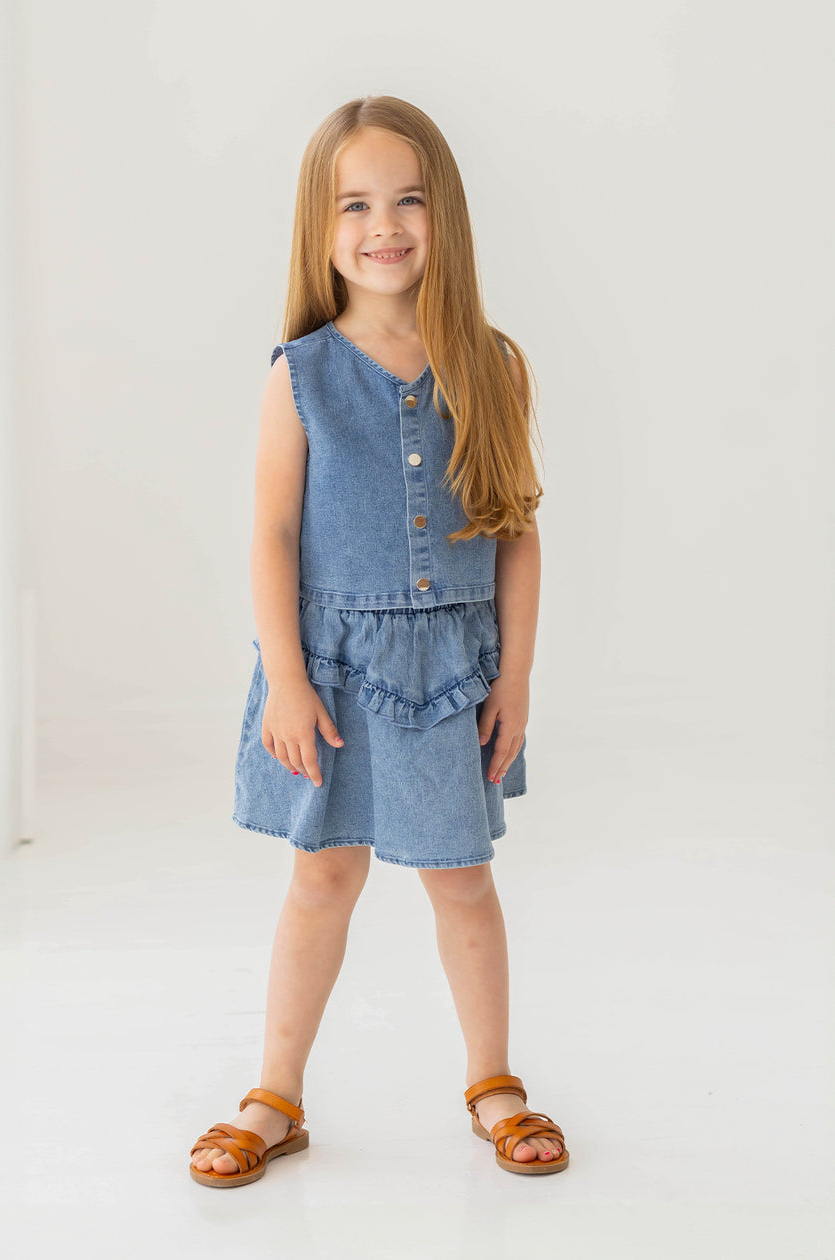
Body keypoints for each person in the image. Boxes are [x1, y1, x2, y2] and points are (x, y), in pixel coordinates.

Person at [189, 95, 570, 1187]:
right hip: (333, 678)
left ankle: (493, 1082)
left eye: (408, 199)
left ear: (444, 215)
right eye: (355, 204)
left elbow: (516, 531)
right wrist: (287, 680)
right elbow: (270, 535)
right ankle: (275, 1095)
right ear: (321, 227)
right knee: (321, 881)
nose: (384, 225)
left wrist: (516, 679)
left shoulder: (489, 365)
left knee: (462, 880)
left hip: (451, 680)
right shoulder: (300, 373)